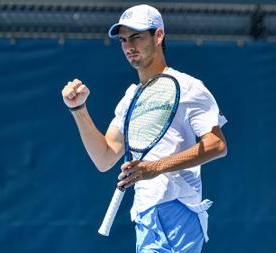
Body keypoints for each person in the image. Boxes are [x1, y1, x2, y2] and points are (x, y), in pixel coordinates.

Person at [61, 4, 227, 253]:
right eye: (123, 40)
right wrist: (78, 109)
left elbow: (217, 145)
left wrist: (155, 167)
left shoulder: (189, 87)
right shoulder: (130, 98)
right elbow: (105, 157)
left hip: (178, 210)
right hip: (145, 214)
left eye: (137, 37)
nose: (129, 46)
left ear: (158, 36)